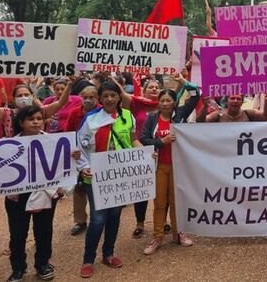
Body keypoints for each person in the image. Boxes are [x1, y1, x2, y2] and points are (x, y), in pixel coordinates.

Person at [4, 105, 80, 282]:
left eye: (39, 118)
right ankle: (18, 269)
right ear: (21, 123)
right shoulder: (8, 146)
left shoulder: (55, 143)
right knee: (17, 235)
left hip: (45, 194)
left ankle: (42, 264)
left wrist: (73, 156)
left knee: (44, 231)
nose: (36, 122)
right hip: (17, 197)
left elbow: (63, 163)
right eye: (31, 119)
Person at [76, 81, 141, 278]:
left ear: (119, 97)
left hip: (119, 176)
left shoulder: (128, 116)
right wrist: (84, 168)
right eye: (105, 96)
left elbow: (133, 139)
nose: (110, 99)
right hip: (95, 176)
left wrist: (145, 153)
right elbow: (80, 147)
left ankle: (108, 254)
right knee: (97, 219)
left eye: (113, 95)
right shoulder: (91, 119)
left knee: (114, 215)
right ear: (100, 99)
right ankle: (88, 259)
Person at [140, 88, 200, 254]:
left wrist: (183, 81)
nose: (165, 104)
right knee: (159, 203)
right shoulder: (152, 118)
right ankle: (158, 236)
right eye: (162, 101)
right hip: (159, 167)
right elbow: (144, 139)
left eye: (168, 100)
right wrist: (161, 141)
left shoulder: (180, 114)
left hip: (178, 166)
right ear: (158, 103)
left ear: (174, 102)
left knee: (176, 202)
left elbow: (196, 95)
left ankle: (177, 233)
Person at [114, 77, 163, 238]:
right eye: (151, 87)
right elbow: (121, 94)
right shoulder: (135, 103)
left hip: (162, 148)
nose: (154, 89)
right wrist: (111, 79)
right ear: (144, 90)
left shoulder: (165, 105)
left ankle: (162, 221)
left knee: (162, 188)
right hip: (140, 150)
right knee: (141, 189)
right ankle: (140, 223)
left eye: (157, 87)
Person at [66, 86, 100, 236]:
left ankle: (98, 220)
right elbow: (68, 134)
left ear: (97, 98)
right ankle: (79, 221)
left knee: (98, 189)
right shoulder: (75, 113)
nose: (88, 100)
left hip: (98, 156)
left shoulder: (102, 112)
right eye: (85, 97)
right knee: (80, 189)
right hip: (80, 157)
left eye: (92, 97)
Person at [198, 93, 267, 122]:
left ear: (242, 102)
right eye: (232, 98)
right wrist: (205, 106)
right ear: (226, 101)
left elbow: (265, 116)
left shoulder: (247, 114)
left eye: (238, 99)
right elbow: (200, 122)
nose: (235, 101)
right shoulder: (218, 114)